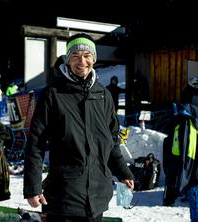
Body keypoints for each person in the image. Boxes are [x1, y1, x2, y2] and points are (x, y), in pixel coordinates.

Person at [23, 33, 134, 222]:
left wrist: (123, 171)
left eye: (87, 55)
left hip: (97, 197)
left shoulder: (103, 95)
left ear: (94, 59)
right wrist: (33, 187)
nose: (82, 61)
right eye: (75, 56)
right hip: (64, 197)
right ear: (68, 60)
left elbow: (112, 141)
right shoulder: (53, 94)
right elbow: (36, 143)